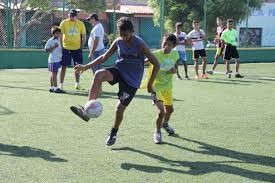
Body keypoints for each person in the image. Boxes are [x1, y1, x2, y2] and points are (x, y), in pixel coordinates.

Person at [70, 17, 160, 146]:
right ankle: (86, 112)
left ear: (132, 31)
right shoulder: (118, 42)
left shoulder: (140, 44)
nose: (123, 37)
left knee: (119, 109)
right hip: (119, 72)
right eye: (120, 34)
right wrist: (86, 66)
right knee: (99, 73)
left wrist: (150, 84)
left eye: (126, 35)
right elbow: (103, 57)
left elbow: (156, 64)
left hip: (132, 82)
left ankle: (113, 133)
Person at [144, 34, 179, 144]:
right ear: (161, 42)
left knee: (170, 110)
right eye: (164, 43)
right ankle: (157, 132)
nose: (166, 46)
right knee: (161, 112)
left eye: (169, 45)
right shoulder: (155, 54)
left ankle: (165, 124)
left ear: (173, 46)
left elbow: (174, 66)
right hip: (155, 87)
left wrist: (174, 70)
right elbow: (143, 61)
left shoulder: (175, 54)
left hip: (167, 87)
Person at [59, 9, 86, 90]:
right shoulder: (64, 22)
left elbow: (84, 36)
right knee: (64, 66)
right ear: (68, 15)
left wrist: (81, 46)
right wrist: (61, 46)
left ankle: (77, 83)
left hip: (77, 48)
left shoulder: (81, 24)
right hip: (66, 48)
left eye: (73, 15)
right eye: (70, 15)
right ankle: (61, 84)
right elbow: (60, 35)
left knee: (77, 66)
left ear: (76, 16)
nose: (72, 17)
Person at [44, 26, 64, 93]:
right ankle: (55, 88)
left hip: (58, 59)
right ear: (53, 34)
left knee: (53, 73)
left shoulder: (59, 40)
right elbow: (46, 50)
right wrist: (54, 47)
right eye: (57, 33)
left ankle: (51, 87)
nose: (58, 35)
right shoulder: (50, 41)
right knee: (54, 73)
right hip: (53, 60)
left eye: (59, 33)